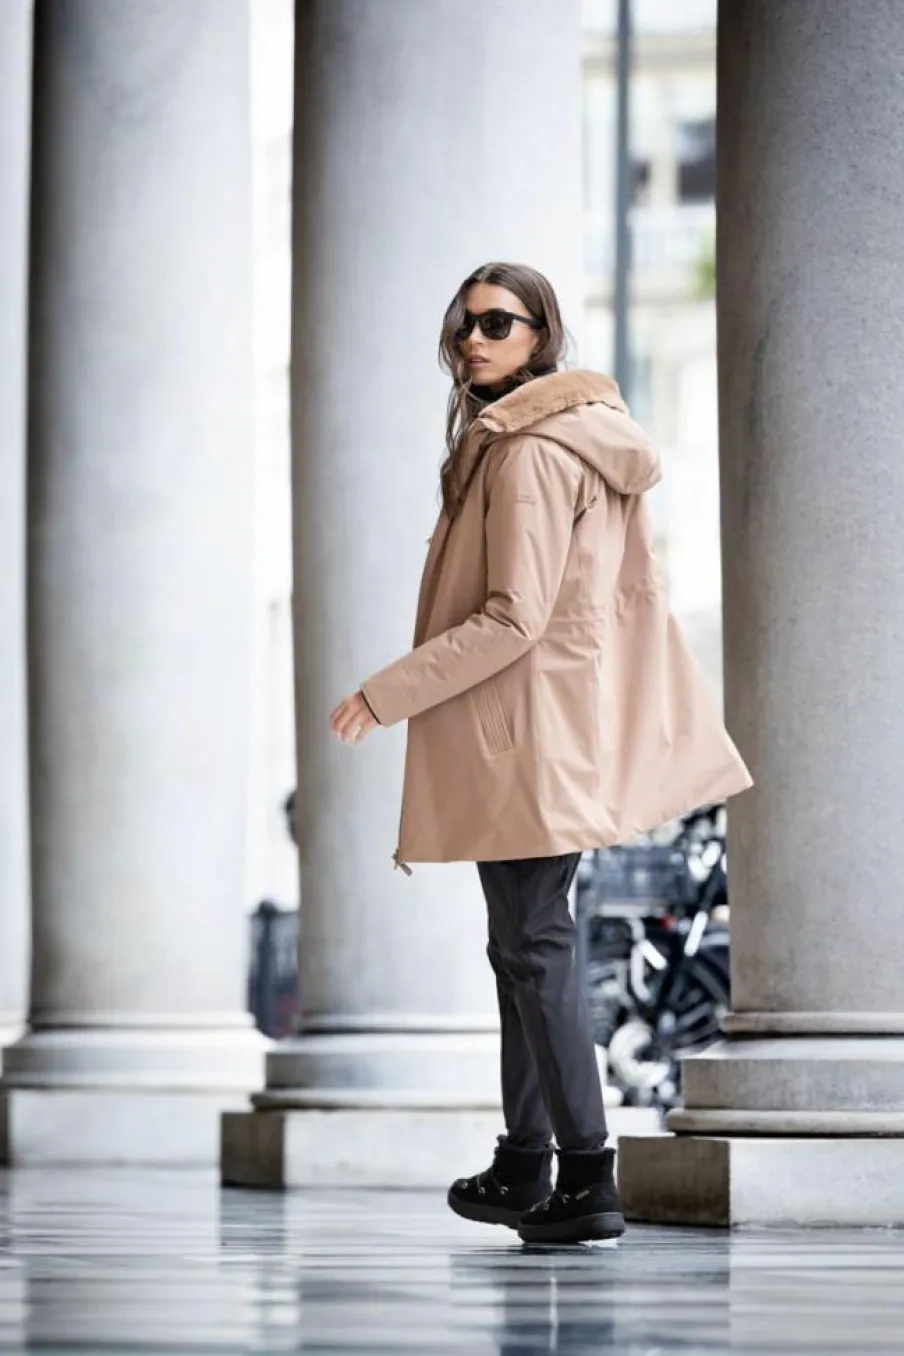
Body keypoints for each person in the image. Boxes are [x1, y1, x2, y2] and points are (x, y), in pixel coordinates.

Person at [329, 262, 752, 1244]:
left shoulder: (528, 453)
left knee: (536, 947)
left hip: (522, 731)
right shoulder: (549, 440)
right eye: (463, 323)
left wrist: (385, 693)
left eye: (498, 323)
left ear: (540, 336)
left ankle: (587, 1172)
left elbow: (512, 618)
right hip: (543, 725)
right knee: (522, 949)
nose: (473, 339)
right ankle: (526, 1163)